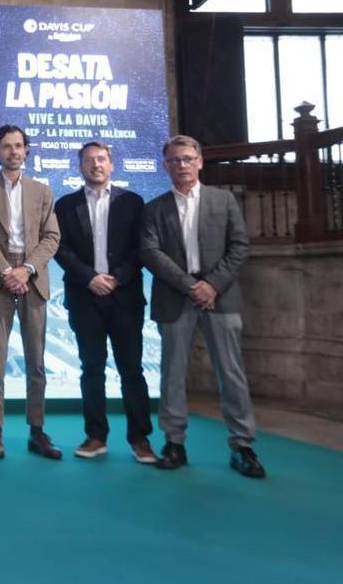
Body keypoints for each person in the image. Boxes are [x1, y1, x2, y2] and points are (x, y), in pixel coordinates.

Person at [139, 134, 265, 478]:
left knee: (231, 372)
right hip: (175, 296)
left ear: (199, 161)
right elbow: (150, 253)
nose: (181, 165)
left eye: (187, 159)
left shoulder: (223, 201)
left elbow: (239, 246)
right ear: (165, 166)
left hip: (220, 297)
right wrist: (190, 285)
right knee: (172, 374)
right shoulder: (154, 208)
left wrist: (211, 284)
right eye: (174, 160)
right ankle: (174, 443)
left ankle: (243, 446)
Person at [54, 141, 155, 464]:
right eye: (89, 160)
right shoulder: (65, 206)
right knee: (91, 369)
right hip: (85, 298)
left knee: (132, 370)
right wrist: (90, 278)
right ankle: (96, 435)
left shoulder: (133, 202)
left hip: (125, 298)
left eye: (101, 159)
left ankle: (140, 438)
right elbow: (61, 249)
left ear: (111, 165)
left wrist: (116, 278)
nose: (95, 165)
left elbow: (141, 248)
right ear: (80, 166)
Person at [0, 124, 62, 460]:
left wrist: (27, 269)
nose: (13, 151)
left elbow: (52, 236)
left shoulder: (42, 191)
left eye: (19, 145)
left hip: (33, 276)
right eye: (6, 146)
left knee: (36, 362)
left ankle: (37, 431)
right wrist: (8, 271)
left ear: (26, 150)